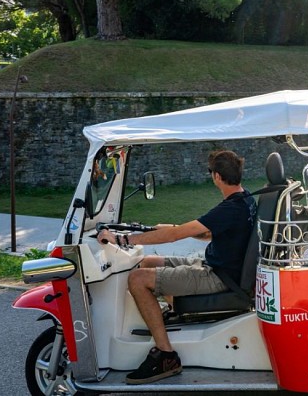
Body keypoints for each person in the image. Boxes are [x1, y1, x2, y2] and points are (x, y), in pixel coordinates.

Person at [95, 150, 255, 385]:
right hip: (218, 266)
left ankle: (166, 355)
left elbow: (174, 236)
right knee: (146, 262)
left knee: (138, 279)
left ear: (217, 177)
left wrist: (123, 239)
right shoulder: (246, 199)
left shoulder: (229, 208)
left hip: (218, 276)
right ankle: (163, 317)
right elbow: (209, 232)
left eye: (211, 173)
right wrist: (169, 228)